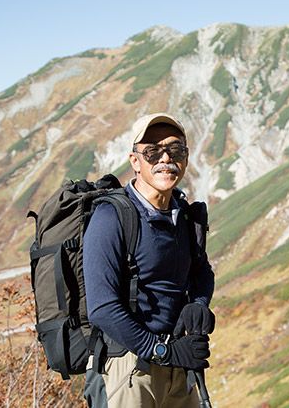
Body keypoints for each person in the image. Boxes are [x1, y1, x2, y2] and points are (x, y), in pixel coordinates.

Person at [83, 113, 215, 408]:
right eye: (152, 151)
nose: (165, 158)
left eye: (175, 150)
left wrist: (199, 304)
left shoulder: (182, 214)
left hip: (179, 363)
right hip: (129, 368)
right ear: (135, 161)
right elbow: (102, 308)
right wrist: (161, 351)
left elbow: (202, 271)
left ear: (186, 157)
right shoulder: (112, 218)